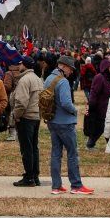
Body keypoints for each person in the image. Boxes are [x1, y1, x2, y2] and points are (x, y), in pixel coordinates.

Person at [45, 56, 94, 195]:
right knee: (72, 154)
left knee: (56, 154)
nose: (71, 71)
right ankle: (76, 185)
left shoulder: (49, 79)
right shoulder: (63, 82)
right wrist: (76, 110)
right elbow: (66, 103)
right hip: (65, 123)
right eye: (70, 68)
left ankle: (56, 186)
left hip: (52, 121)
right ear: (63, 66)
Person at [11, 56, 44, 187]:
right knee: (34, 148)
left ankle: (29, 177)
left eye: (20, 64)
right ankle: (35, 176)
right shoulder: (38, 79)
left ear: (24, 65)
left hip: (26, 118)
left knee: (26, 149)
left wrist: (16, 115)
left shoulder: (24, 80)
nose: (19, 66)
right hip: (36, 117)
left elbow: (21, 102)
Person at [87, 59, 110, 150]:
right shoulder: (99, 77)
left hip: (106, 107)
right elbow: (94, 92)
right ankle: (90, 144)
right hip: (99, 108)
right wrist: (92, 106)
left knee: (106, 127)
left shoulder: (108, 78)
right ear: (106, 68)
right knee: (100, 127)